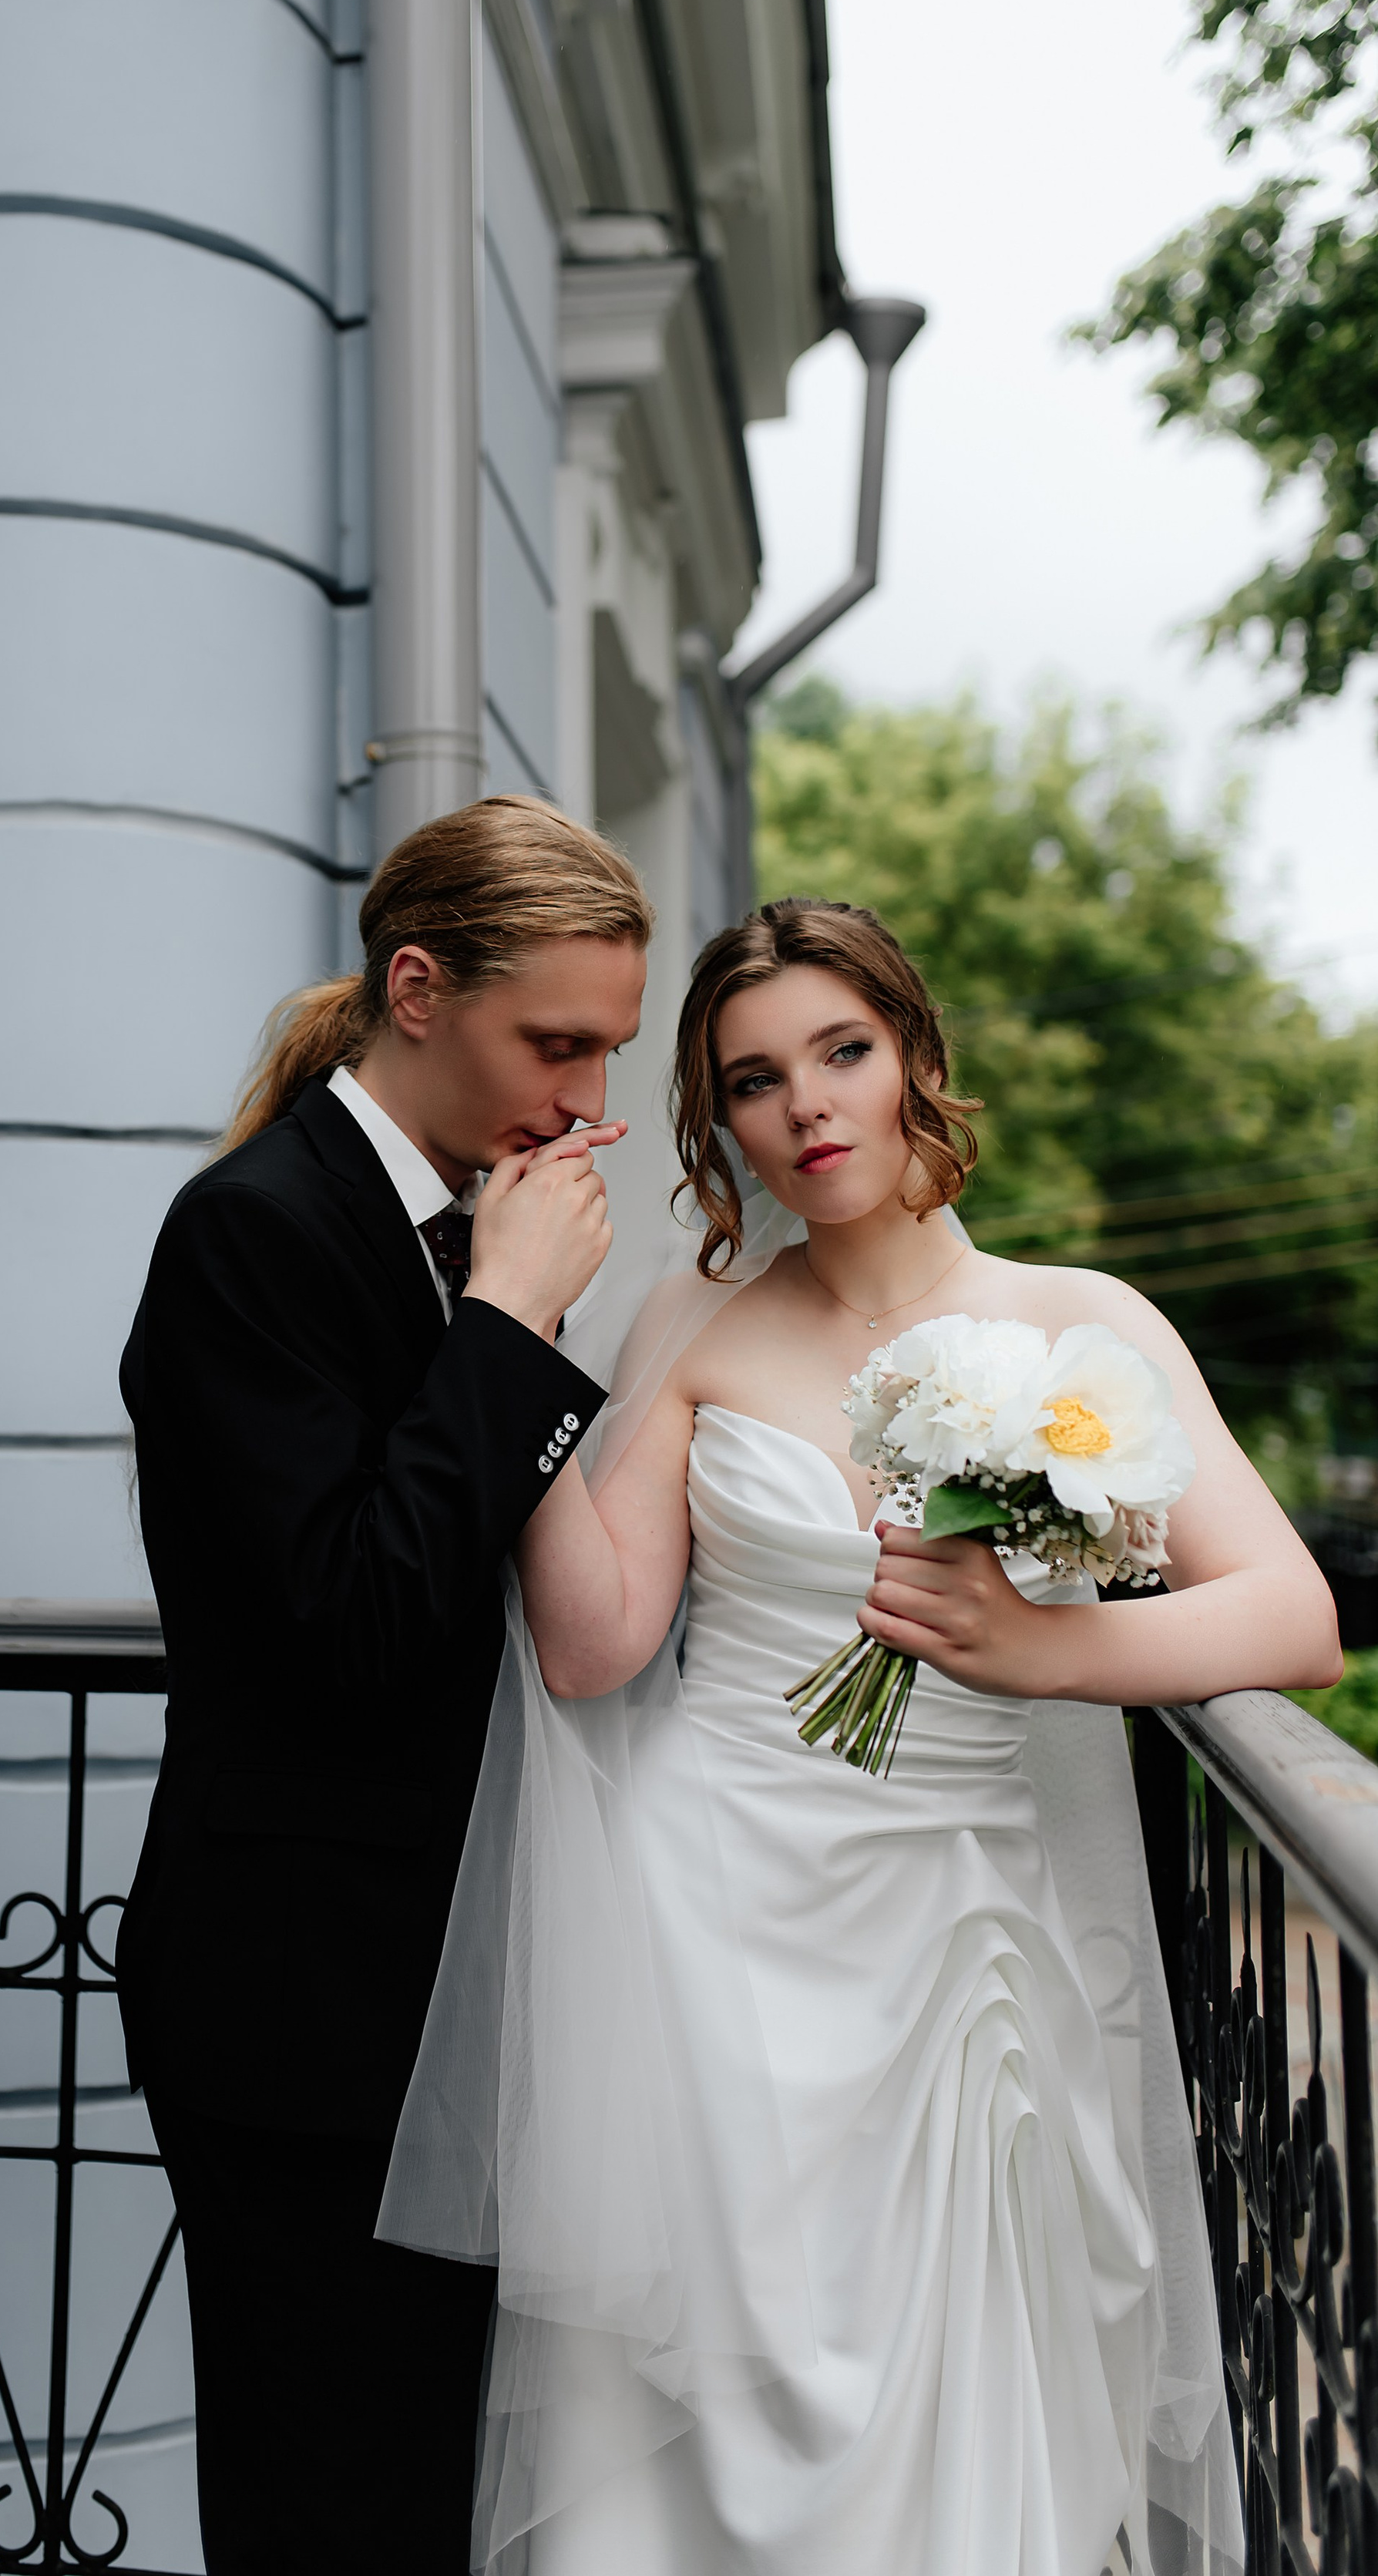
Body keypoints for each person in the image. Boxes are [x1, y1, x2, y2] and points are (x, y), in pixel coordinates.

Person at [382, 896, 1339, 2576]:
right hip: (708, 1941)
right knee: (687, 2465)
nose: (806, 1107)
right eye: (754, 1081)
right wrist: (516, 1343)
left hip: (966, 1937)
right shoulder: (691, 1324)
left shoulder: (1080, 1324)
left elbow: (1293, 1618)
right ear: (721, 1123)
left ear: (914, 1058)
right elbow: (594, 1646)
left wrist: (1044, 1649)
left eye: (842, 1052)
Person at [116, 795, 653, 2576]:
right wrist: (508, 1322)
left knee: (433, 2513)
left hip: (453, 2006)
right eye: (552, 1043)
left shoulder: (462, 1222)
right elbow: (353, 1618)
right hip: (305, 2021)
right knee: (331, 2524)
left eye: (608, 1048)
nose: (585, 1099)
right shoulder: (252, 1232)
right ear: (415, 990)